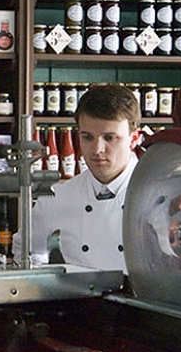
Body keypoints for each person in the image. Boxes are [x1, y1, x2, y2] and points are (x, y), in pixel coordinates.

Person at [14, 84, 141, 272]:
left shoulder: (158, 194)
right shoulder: (57, 196)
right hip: (81, 299)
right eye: (87, 137)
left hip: (140, 300)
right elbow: (25, 251)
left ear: (134, 138)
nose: (97, 149)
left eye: (110, 137)